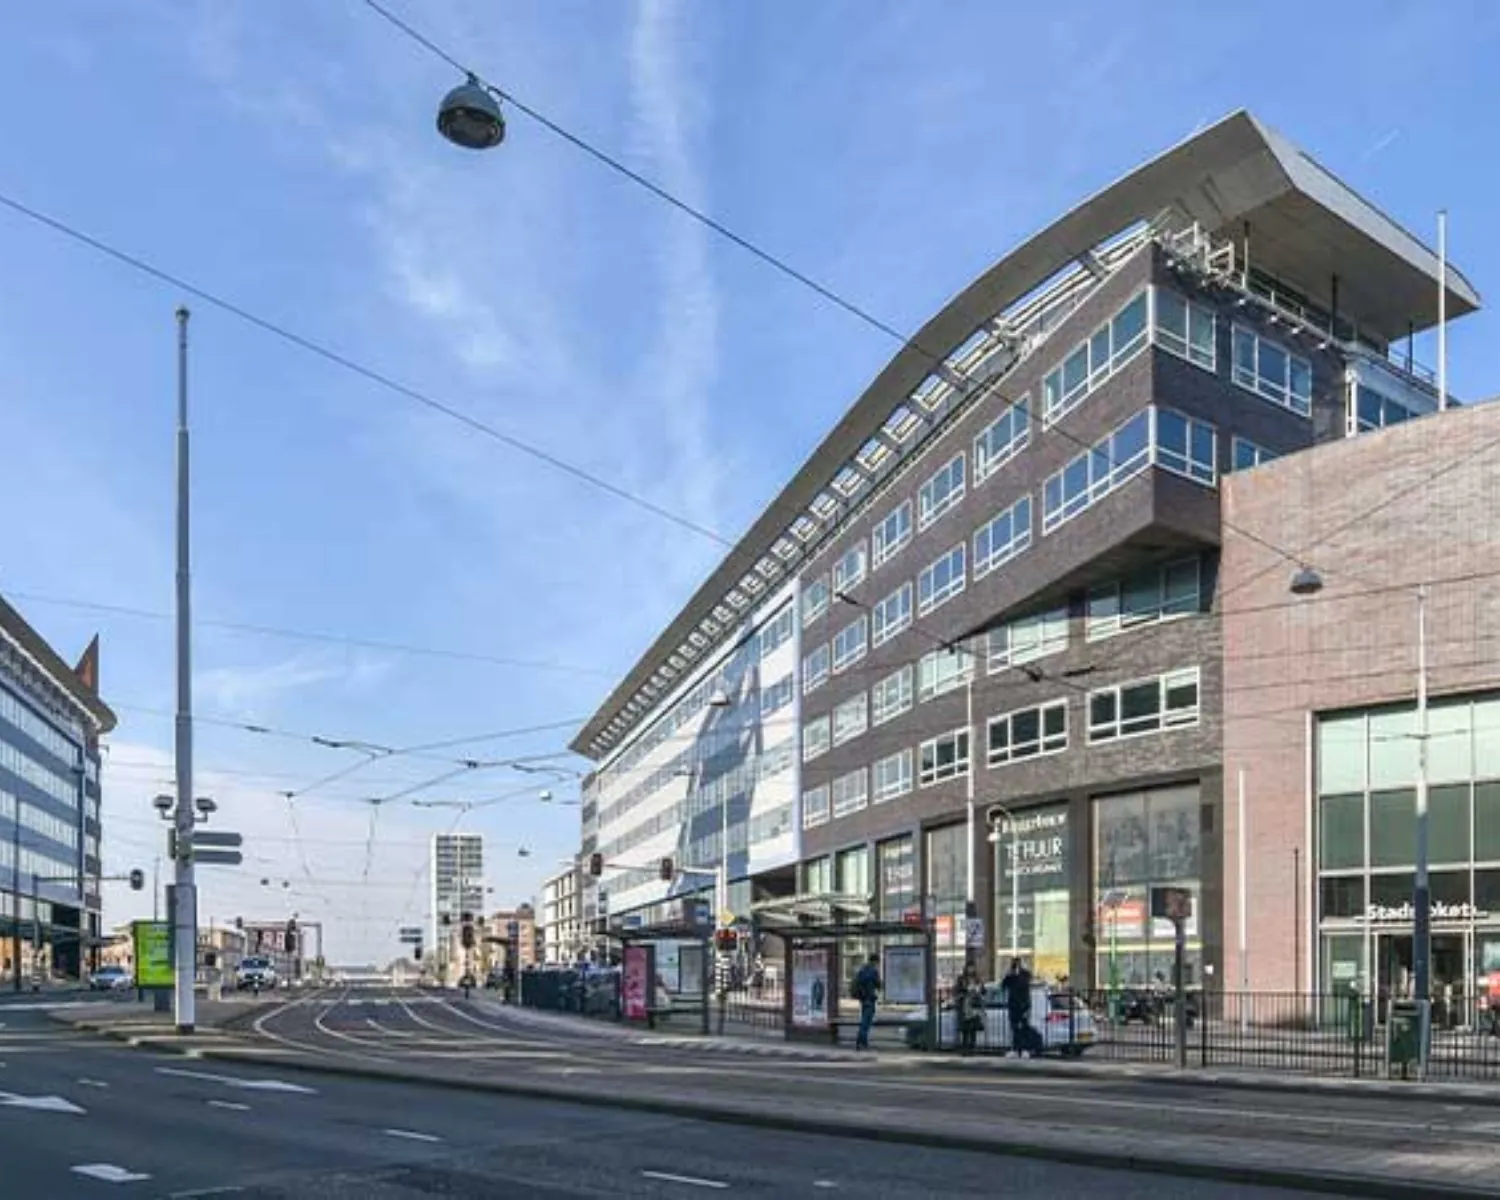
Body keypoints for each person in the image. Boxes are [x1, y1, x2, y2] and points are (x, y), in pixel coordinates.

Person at [1000, 956, 1033, 1058]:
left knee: (1023, 1027)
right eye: (1014, 964)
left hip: (1024, 1005)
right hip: (1013, 1005)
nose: (1016, 966)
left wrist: (1018, 974)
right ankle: (1015, 1049)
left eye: (1017, 963)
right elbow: (1003, 986)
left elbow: (1025, 983)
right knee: (1014, 1028)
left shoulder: (1025, 974)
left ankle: (1024, 1049)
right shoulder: (1011, 976)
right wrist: (1009, 974)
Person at [853, 953, 881, 1050]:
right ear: (875, 961)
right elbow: (878, 984)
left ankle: (863, 1042)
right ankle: (860, 1041)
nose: (878, 964)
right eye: (877, 962)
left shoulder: (862, 970)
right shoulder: (873, 971)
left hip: (863, 999)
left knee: (864, 1019)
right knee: (866, 1021)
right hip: (869, 998)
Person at [957, 965, 984, 1055]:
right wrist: (966, 990)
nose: (971, 970)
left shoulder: (978, 979)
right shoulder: (961, 979)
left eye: (972, 968)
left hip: (974, 1006)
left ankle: (972, 1049)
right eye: (969, 968)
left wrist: (978, 989)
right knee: (965, 1030)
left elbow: (983, 991)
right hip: (965, 1006)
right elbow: (957, 990)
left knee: (973, 1029)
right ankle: (965, 1049)